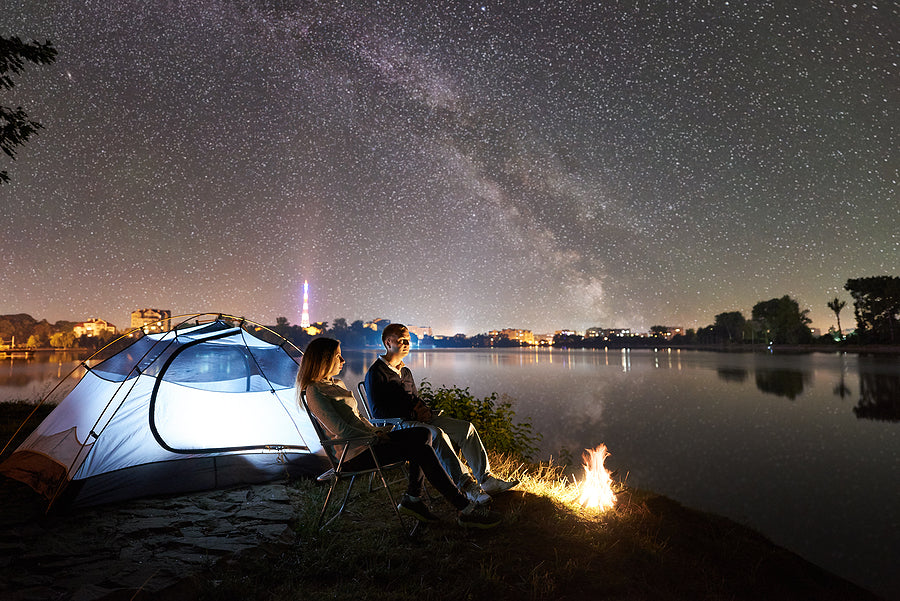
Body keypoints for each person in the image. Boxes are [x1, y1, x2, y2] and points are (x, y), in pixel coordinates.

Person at [298, 337, 502, 528]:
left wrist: (378, 430)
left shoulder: (337, 384)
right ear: (323, 360)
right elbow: (340, 429)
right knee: (419, 449)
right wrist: (374, 436)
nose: (343, 360)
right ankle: (461, 506)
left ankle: (416, 497)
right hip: (354, 454)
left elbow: (358, 418)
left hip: (369, 442)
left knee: (424, 434)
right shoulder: (314, 391)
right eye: (337, 356)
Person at [364, 323, 519, 505]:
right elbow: (378, 412)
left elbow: (415, 398)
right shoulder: (376, 373)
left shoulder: (405, 371)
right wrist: (413, 415)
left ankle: (487, 480)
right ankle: (467, 486)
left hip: (418, 419)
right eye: (401, 340)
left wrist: (424, 410)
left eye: (408, 340)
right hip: (397, 426)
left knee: (465, 428)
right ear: (388, 342)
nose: (406, 343)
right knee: (437, 434)